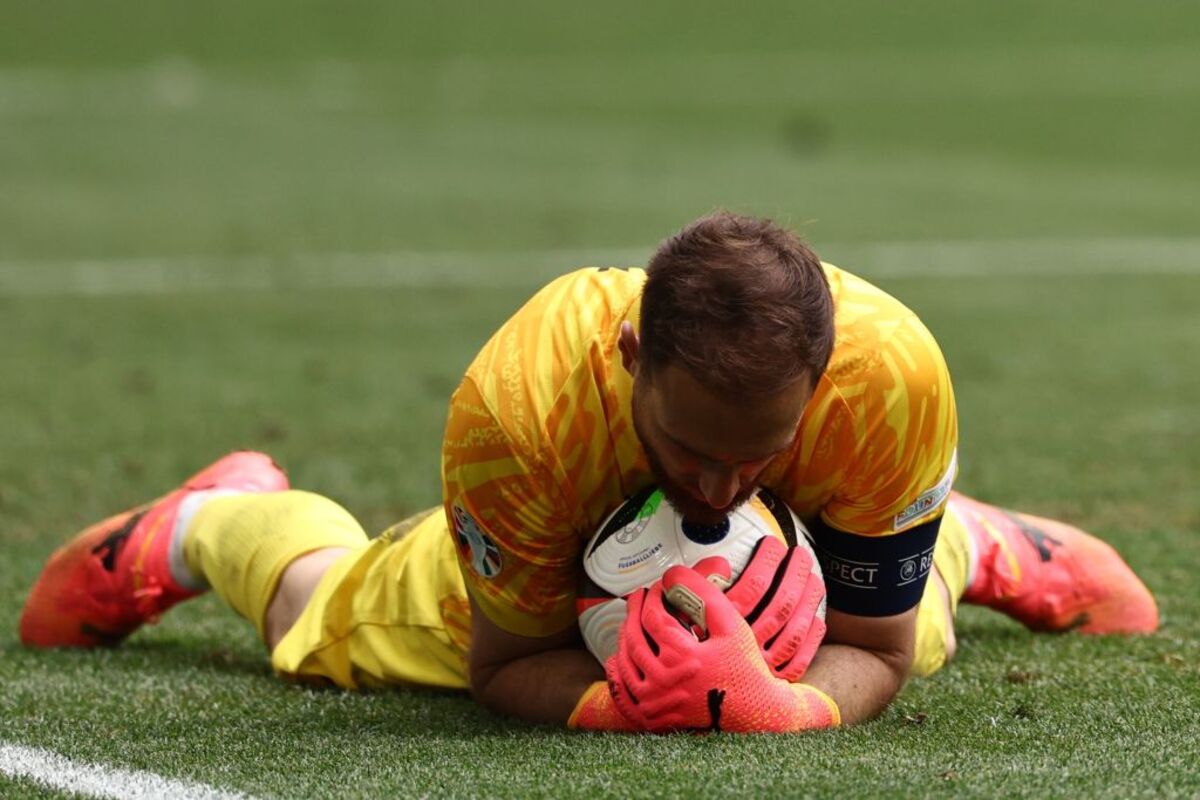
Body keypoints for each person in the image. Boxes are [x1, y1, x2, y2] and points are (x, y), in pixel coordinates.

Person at [19, 212, 1158, 733]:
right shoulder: (520, 413)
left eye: (756, 452)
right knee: (335, 620)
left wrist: (785, 702)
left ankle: (966, 535)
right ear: (628, 362)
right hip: (544, 553)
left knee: (878, 611)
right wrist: (624, 703)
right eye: (688, 450)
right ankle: (217, 520)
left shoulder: (890, 381)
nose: (718, 492)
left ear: (821, 380)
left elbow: (877, 649)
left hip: (831, 530)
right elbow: (501, 663)